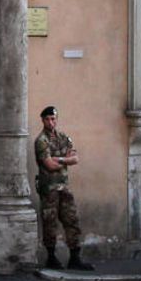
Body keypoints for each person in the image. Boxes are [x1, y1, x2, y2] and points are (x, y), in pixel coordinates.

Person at [34, 105, 93, 271]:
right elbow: (49, 165)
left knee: (72, 220)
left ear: (56, 119)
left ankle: (75, 257)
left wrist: (58, 159)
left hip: (64, 187)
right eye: (47, 119)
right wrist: (63, 160)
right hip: (49, 188)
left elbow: (75, 159)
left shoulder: (63, 137)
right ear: (43, 120)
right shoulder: (41, 141)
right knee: (50, 223)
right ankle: (51, 257)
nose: (51, 122)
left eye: (53, 119)